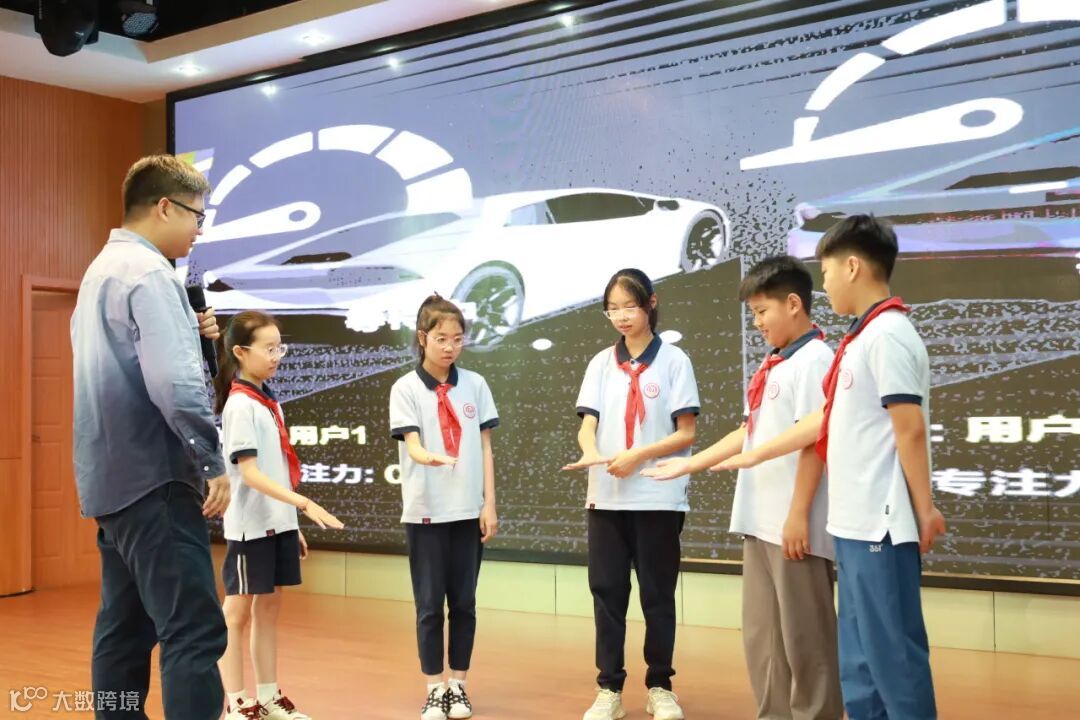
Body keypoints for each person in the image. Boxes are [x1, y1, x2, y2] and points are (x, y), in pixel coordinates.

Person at [719, 215, 946, 720]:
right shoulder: (860, 339)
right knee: (859, 663)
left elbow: (909, 429)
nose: (823, 283)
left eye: (825, 271)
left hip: (882, 524)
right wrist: (756, 452)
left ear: (852, 266)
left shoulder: (889, 334)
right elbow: (824, 422)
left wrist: (924, 507)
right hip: (851, 522)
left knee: (892, 655)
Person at [646, 256, 843, 719]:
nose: (757, 323)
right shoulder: (777, 362)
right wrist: (690, 464)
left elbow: (815, 440)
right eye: (753, 314)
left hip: (794, 526)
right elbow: (749, 432)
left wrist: (798, 515)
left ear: (793, 304)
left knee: (807, 642)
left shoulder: (816, 360)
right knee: (764, 641)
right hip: (760, 521)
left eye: (761, 312)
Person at [71, 154, 230, 719]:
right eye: (196, 215)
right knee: (194, 630)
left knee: (125, 629)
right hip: (156, 478)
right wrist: (211, 461)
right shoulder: (150, 274)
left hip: (112, 483)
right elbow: (176, 386)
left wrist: (190, 332)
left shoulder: (100, 271)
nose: (199, 229)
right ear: (165, 207)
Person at [564, 268, 700, 720]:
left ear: (650, 304)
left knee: (658, 595)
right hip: (607, 497)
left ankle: (660, 685)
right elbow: (588, 424)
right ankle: (609, 688)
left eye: (629, 306)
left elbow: (686, 433)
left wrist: (637, 456)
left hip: (658, 497)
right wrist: (590, 452)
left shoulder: (675, 361)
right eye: (613, 309)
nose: (621, 316)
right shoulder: (601, 363)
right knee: (607, 594)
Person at [213, 310, 344, 720]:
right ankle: (237, 703)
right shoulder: (240, 405)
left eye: (279, 348)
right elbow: (250, 473)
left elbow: (277, 468)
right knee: (236, 613)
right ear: (240, 352)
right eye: (268, 349)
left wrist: (291, 521)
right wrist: (303, 503)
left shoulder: (269, 401)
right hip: (250, 527)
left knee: (268, 609)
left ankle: (268, 697)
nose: (276, 357)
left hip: (278, 524)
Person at [388, 295, 500, 720]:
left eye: (457, 338)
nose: (450, 347)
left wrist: (489, 504)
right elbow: (412, 443)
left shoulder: (475, 385)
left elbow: (485, 447)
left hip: (468, 512)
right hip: (426, 512)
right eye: (441, 339)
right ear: (422, 338)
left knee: (465, 604)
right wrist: (426, 456)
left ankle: (459, 685)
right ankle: (434, 688)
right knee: (430, 606)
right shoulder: (406, 388)